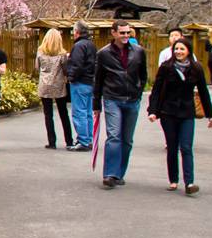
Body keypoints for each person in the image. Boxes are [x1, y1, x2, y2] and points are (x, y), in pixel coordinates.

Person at [148, 38, 212, 194]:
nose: (178, 52)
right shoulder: (166, 68)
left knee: (186, 147)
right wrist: (153, 111)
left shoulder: (196, 69)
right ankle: (173, 180)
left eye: (182, 49)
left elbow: (203, 93)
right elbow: (157, 90)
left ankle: (190, 183)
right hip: (168, 112)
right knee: (172, 147)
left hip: (186, 112)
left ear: (188, 51)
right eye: (176, 49)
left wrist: (210, 115)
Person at [93, 18, 148, 189]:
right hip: (112, 98)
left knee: (127, 139)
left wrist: (139, 92)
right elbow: (98, 80)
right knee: (114, 136)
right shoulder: (103, 54)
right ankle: (110, 173)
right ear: (114, 33)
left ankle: (119, 173)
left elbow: (143, 74)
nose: (125, 36)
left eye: (128, 32)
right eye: (122, 33)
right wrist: (96, 104)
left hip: (132, 99)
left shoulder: (139, 51)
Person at [35, 28, 74, 149]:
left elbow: (37, 67)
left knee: (48, 114)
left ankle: (52, 142)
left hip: (45, 85)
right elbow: (66, 70)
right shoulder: (62, 54)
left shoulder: (40, 52)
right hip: (58, 85)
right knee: (63, 113)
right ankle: (69, 141)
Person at [65, 20, 96, 151]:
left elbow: (77, 65)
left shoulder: (78, 46)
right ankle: (89, 139)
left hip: (80, 82)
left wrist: (70, 77)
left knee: (79, 112)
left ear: (76, 32)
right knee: (88, 112)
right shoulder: (91, 45)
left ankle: (83, 140)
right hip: (90, 81)